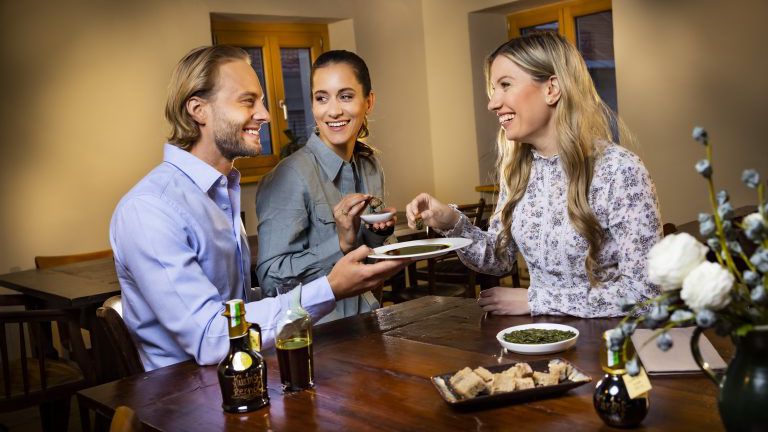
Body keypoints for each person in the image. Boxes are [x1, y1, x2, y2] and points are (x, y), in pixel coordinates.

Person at [110, 45, 407, 371]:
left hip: (241, 374)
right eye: (248, 101)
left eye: (261, 101)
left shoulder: (218, 192)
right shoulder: (150, 208)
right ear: (198, 110)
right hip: (185, 390)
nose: (265, 114)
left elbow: (236, 306)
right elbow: (209, 338)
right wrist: (330, 288)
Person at [405, 32, 662, 318]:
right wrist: (452, 223)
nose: (492, 103)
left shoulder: (619, 170)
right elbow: (499, 259)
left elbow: (646, 295)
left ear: (552, 89)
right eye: (494, 89)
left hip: (605, 340)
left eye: (505, 85)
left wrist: (536, 300)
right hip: (537, 336)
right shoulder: (517, 170)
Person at [256, 50, 395, 323]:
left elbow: (369, 260)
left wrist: (378, 235)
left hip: (368, 320)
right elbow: (271, 281)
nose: (333, 111)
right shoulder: (290, 176)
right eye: (321, 98)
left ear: (369, 101)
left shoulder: (370, 166)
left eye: (346, 96)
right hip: (316, 334)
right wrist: (340, 244)